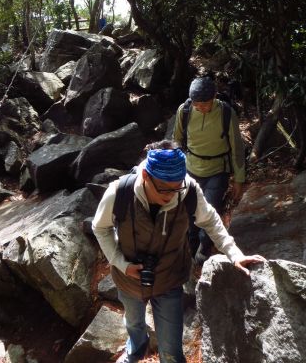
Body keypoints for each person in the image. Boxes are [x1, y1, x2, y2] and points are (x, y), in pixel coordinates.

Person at [92, 141, 264, 363]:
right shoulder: (120, 192)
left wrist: (234, 253)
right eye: (164, 188)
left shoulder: (188, 191)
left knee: (172, 350)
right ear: (145, 175)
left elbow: (211, 221)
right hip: (128, 278)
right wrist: (121, 263)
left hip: (169, 277)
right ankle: (136, 349)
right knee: (134, 324)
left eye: (177, 187)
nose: (171, 194)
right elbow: (100, 227)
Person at [173, 76, 245, 265]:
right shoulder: (185, 110)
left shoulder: (226, 113)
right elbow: (177, 140)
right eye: (198, 104)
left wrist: (239, 179)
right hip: (190, 168)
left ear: (214, 97)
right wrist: (175, 168)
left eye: (205, 104)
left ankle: (204, 248)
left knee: (210, 210)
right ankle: (192, 244)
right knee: (189, 211)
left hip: (217, 170)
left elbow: (237, 147)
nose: (201, 107)